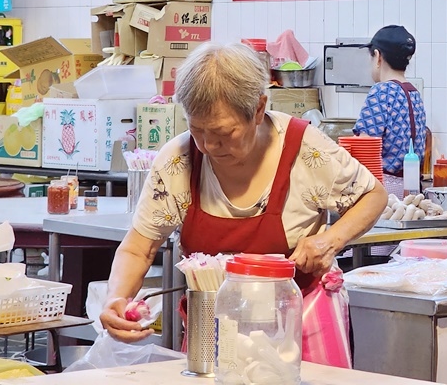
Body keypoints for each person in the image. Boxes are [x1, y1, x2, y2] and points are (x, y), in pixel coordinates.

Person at [101, 42, 388, 342]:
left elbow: (372, 195)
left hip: (300, 329)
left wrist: (330, 241)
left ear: (258, 109)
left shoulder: (305, 149)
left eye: (223, 133)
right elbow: (138, 248)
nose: (208, 146)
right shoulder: (178, 161)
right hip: (212, 335)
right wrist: (116, 299)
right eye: (197, 130)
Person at [353, 25, 428, 198]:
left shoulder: (381, 91)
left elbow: (365, 145)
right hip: (413, 190)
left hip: (383, 190)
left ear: (378, 57)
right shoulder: (414, 93)